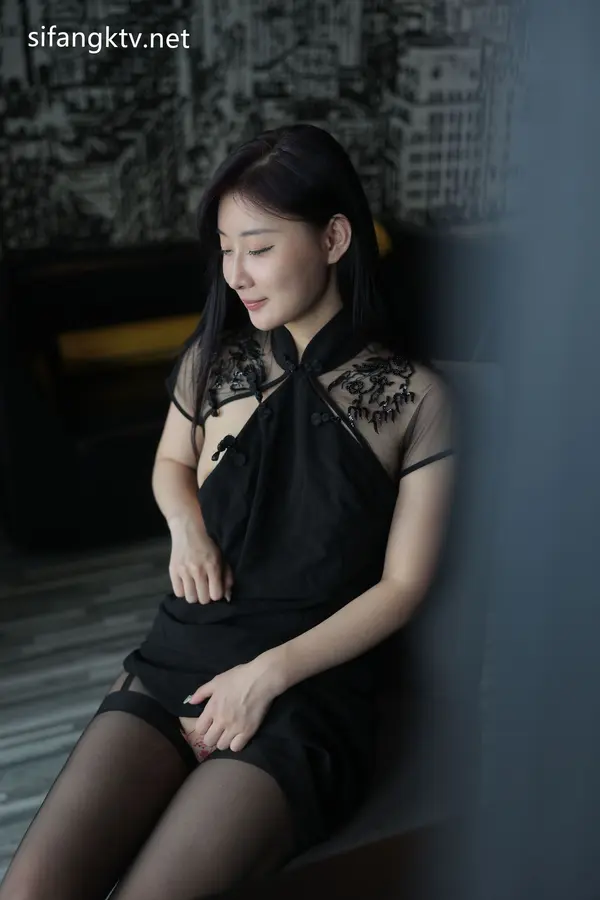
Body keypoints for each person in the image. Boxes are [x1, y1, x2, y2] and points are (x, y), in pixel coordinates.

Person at [0, 123, 455, 900]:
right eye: (224, 248)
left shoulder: (415, 400)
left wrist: (265, 676)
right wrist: (186, 527)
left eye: (259, 247)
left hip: (304, 691)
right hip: (180, 655)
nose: (235, 273)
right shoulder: (214, 358)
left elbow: (405, 586)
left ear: (334, 238)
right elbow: (170, 464)